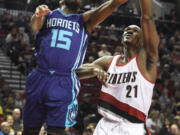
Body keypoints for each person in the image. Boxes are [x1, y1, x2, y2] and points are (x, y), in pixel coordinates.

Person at [22, 0, 128, 135]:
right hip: (40, 75)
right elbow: (34, 26)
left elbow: (113, 4)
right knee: (29, 130)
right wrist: (37, 15)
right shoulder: (48, 14)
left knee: (56, 131)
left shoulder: (85, 20)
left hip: (63, 80)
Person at [76, 0, 159, 134]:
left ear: (143, 40)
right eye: (127, 30)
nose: (129, 32)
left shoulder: (146, 61)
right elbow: (74, 73)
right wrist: (93, 70)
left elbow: (147, 18)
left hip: (133, 126)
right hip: (105, 125)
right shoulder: (108, 62)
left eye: (135, 31)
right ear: (121, 38)